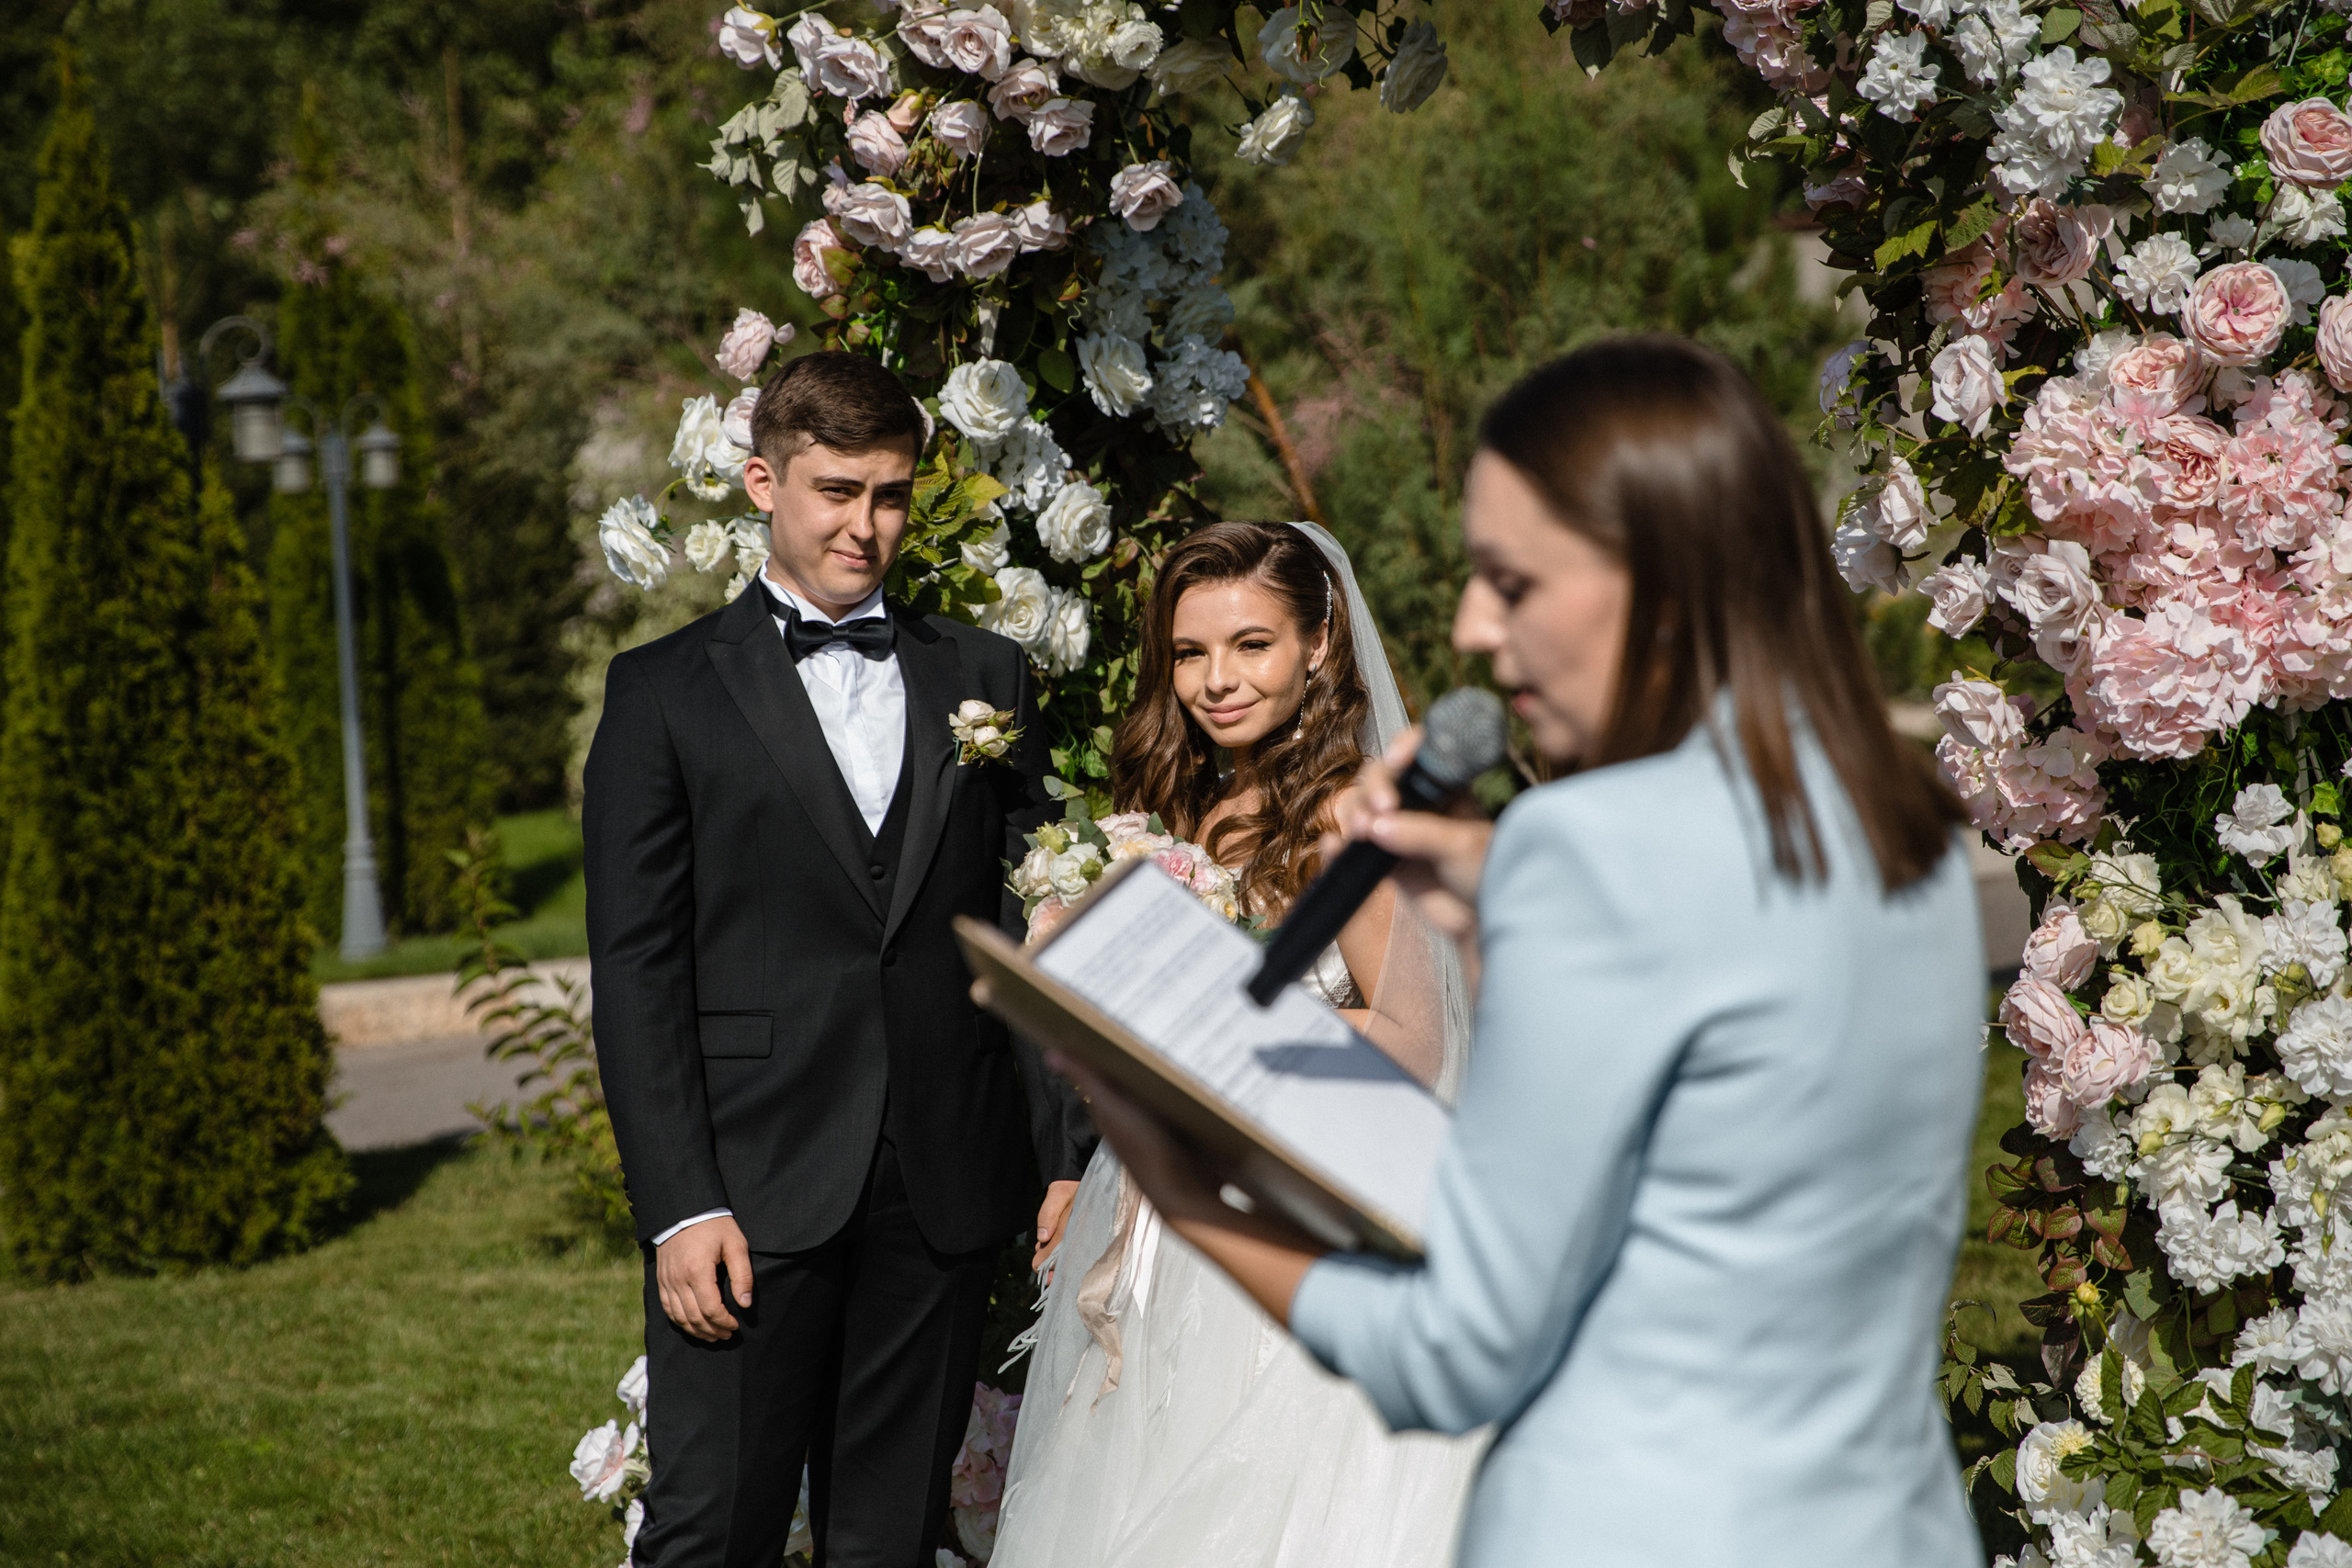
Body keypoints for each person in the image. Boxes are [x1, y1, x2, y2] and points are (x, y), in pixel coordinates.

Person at [1058, 337, 1987, 1565]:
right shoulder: (1896, 834)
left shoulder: (1583, 846)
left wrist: (1176, 1177)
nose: (1470, 629)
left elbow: (1458, 1344)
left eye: (1512, 580)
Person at [583, 351, 1091, 1568]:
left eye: (893, 494)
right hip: (749, 1187)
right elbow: (636, 969)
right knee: (714, 1529)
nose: (868, 524)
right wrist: (681, 1203)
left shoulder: (985, 676)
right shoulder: (660, 694)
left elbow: (1025, 931)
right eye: (837, 490)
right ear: (764, 480)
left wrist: (1066, 1156)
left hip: (942, 1176)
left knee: (892, 1534)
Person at [993, 520, 1484, 1568]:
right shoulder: (1190, 805)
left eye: (1250, 645)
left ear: (1319, 643)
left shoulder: (1350, 811)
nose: (1215, 680)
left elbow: (1414, 1041)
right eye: (1188, 652)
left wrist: (1198, 1015)